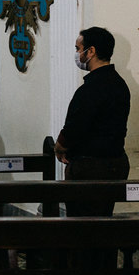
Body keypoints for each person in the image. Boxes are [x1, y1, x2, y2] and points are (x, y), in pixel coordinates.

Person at [56, 26, 131, 216]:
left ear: (91, 51)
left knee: (83, 226)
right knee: (103, 219)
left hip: (89, 168)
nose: (76, 53)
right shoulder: (120, 84)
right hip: (116, 163)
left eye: (78, 49)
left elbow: (75, 127)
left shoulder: (90, 89)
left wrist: (60, 146)